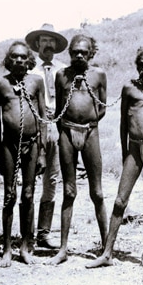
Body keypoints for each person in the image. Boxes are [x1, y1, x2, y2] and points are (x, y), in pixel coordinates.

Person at [86, 47, 143, 269]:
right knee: (120, 200)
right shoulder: (129, 89)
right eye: (142, 64)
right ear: (136, 66)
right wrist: (125, 152)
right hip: (134, 148)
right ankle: (107, 253)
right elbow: (124, 123)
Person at [47, 34, 109, 265]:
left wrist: (88, 123)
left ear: (91, 53)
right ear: (70, 53)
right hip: (66, 132)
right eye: (75, 52)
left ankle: (106, 248)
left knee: (98, 192)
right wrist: (68, 127)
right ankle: (63, 250)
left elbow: (102, 107)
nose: (79, 56)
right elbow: (59, 110)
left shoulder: (99, 75)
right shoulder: (62, 75)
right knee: (69, 191)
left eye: (84, 52)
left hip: (91, 132)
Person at [0, 41, 48, 267]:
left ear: (29, 60)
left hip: (33, 144)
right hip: (8, 145)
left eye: (23, 57)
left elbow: (43, 117)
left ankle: (25, 246)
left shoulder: (36, 81)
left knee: (28, 194)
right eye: (14, 57)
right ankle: (7, 248)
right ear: (8, 59)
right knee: (9, 195)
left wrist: (43, 151)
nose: (19, 61)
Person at [26, 24, 69, 249]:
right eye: (44, 40)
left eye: (52, 41)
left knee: (52, 179)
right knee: (30, 178)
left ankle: (44, 232)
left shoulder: (63, 70)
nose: (48, 45)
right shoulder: (28, 68)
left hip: (57, 124)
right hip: (35, 124)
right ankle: (27, 235)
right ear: (37, 44)